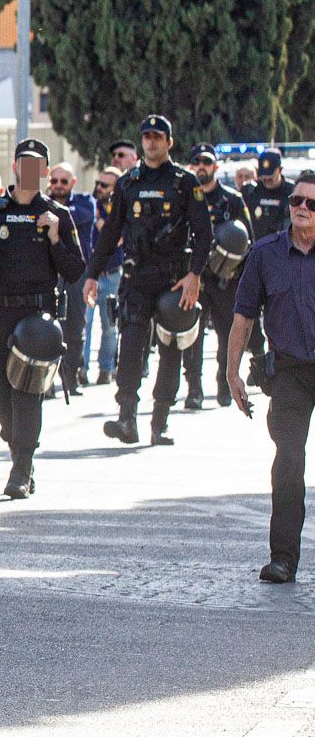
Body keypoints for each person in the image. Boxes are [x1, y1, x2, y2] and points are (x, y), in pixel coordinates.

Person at [0, 140, 85, 497]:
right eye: (24, 163)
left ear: (46, 172)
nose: (31, 170)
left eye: (38, 165)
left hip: (37, 315)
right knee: (2, 392)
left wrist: (55, 238)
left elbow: (75, 269)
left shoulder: (57, 214)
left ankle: (21, 468)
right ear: (15, 167)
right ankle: (19, 448)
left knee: (28, 392)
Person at [82, 115, 212, 446]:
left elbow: (203, 233)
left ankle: (161, 421)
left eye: (158, 136)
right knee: (130, 346)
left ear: (169, 141)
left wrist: (195, 275)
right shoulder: (128, 183)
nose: (152, 142)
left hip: (173, 280)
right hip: (137, 277)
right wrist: (92, 274)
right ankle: (127, 418)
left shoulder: (184, 182)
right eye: (147, 137)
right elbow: (111, 233)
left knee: (171, 348)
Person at [227, 171, 315, 583]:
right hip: (290, 375)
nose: (301, 208)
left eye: (311, 204)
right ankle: (283, 558)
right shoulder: (266, 253)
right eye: (297, 200)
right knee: (288, 465)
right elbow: (244, 314)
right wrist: (231, 371)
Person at [182, 143, 250, 409]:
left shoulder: (232, 199)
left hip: (226, 279)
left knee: (226, 334)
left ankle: (224, 384)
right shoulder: (186, 197)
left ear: (215, 167)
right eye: (197, 162)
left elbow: (247, 239)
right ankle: (194, 389)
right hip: (196, 276)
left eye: (206, 162)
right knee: (193, 335)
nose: (202, 167)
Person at [47, 162, 97, 394]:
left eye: (63, 182)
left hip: (76, 273)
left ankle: (71, 377)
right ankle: (47, 381)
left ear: (73, 183)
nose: (58, 186)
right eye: (54, 181)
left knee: (76, 326)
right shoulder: (42, 204)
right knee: (47, 326)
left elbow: (75, 218)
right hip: (50, 272)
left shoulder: (84, 203)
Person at [88, 166, 126, 384]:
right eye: (98, 184)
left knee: (110, 326)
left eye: (105, 185)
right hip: (90, 274)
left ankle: (106, 369)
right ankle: (81, 370)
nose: (99, 189)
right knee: (85, 324)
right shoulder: (89, 206)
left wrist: (101, 223)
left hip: (112, 274)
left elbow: (119, 239)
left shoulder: (119, 209)